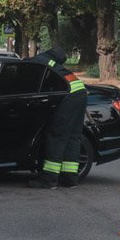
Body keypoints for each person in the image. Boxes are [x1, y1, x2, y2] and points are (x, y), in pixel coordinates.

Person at [27, 46, 87, 188]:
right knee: (73, 136)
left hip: (68, 95)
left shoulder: (36, 62)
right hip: (80, 92)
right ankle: (70, 178)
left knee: (57, 136)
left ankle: (49, 179)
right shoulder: (53, 65)